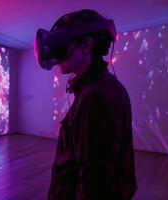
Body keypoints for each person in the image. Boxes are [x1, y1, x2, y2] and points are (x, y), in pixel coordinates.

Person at [35, 9, 138, 199]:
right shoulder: (102, 87)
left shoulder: (95, 96)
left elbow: (94, 184)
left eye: (64, 44)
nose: (57, 53)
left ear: (87, 46)